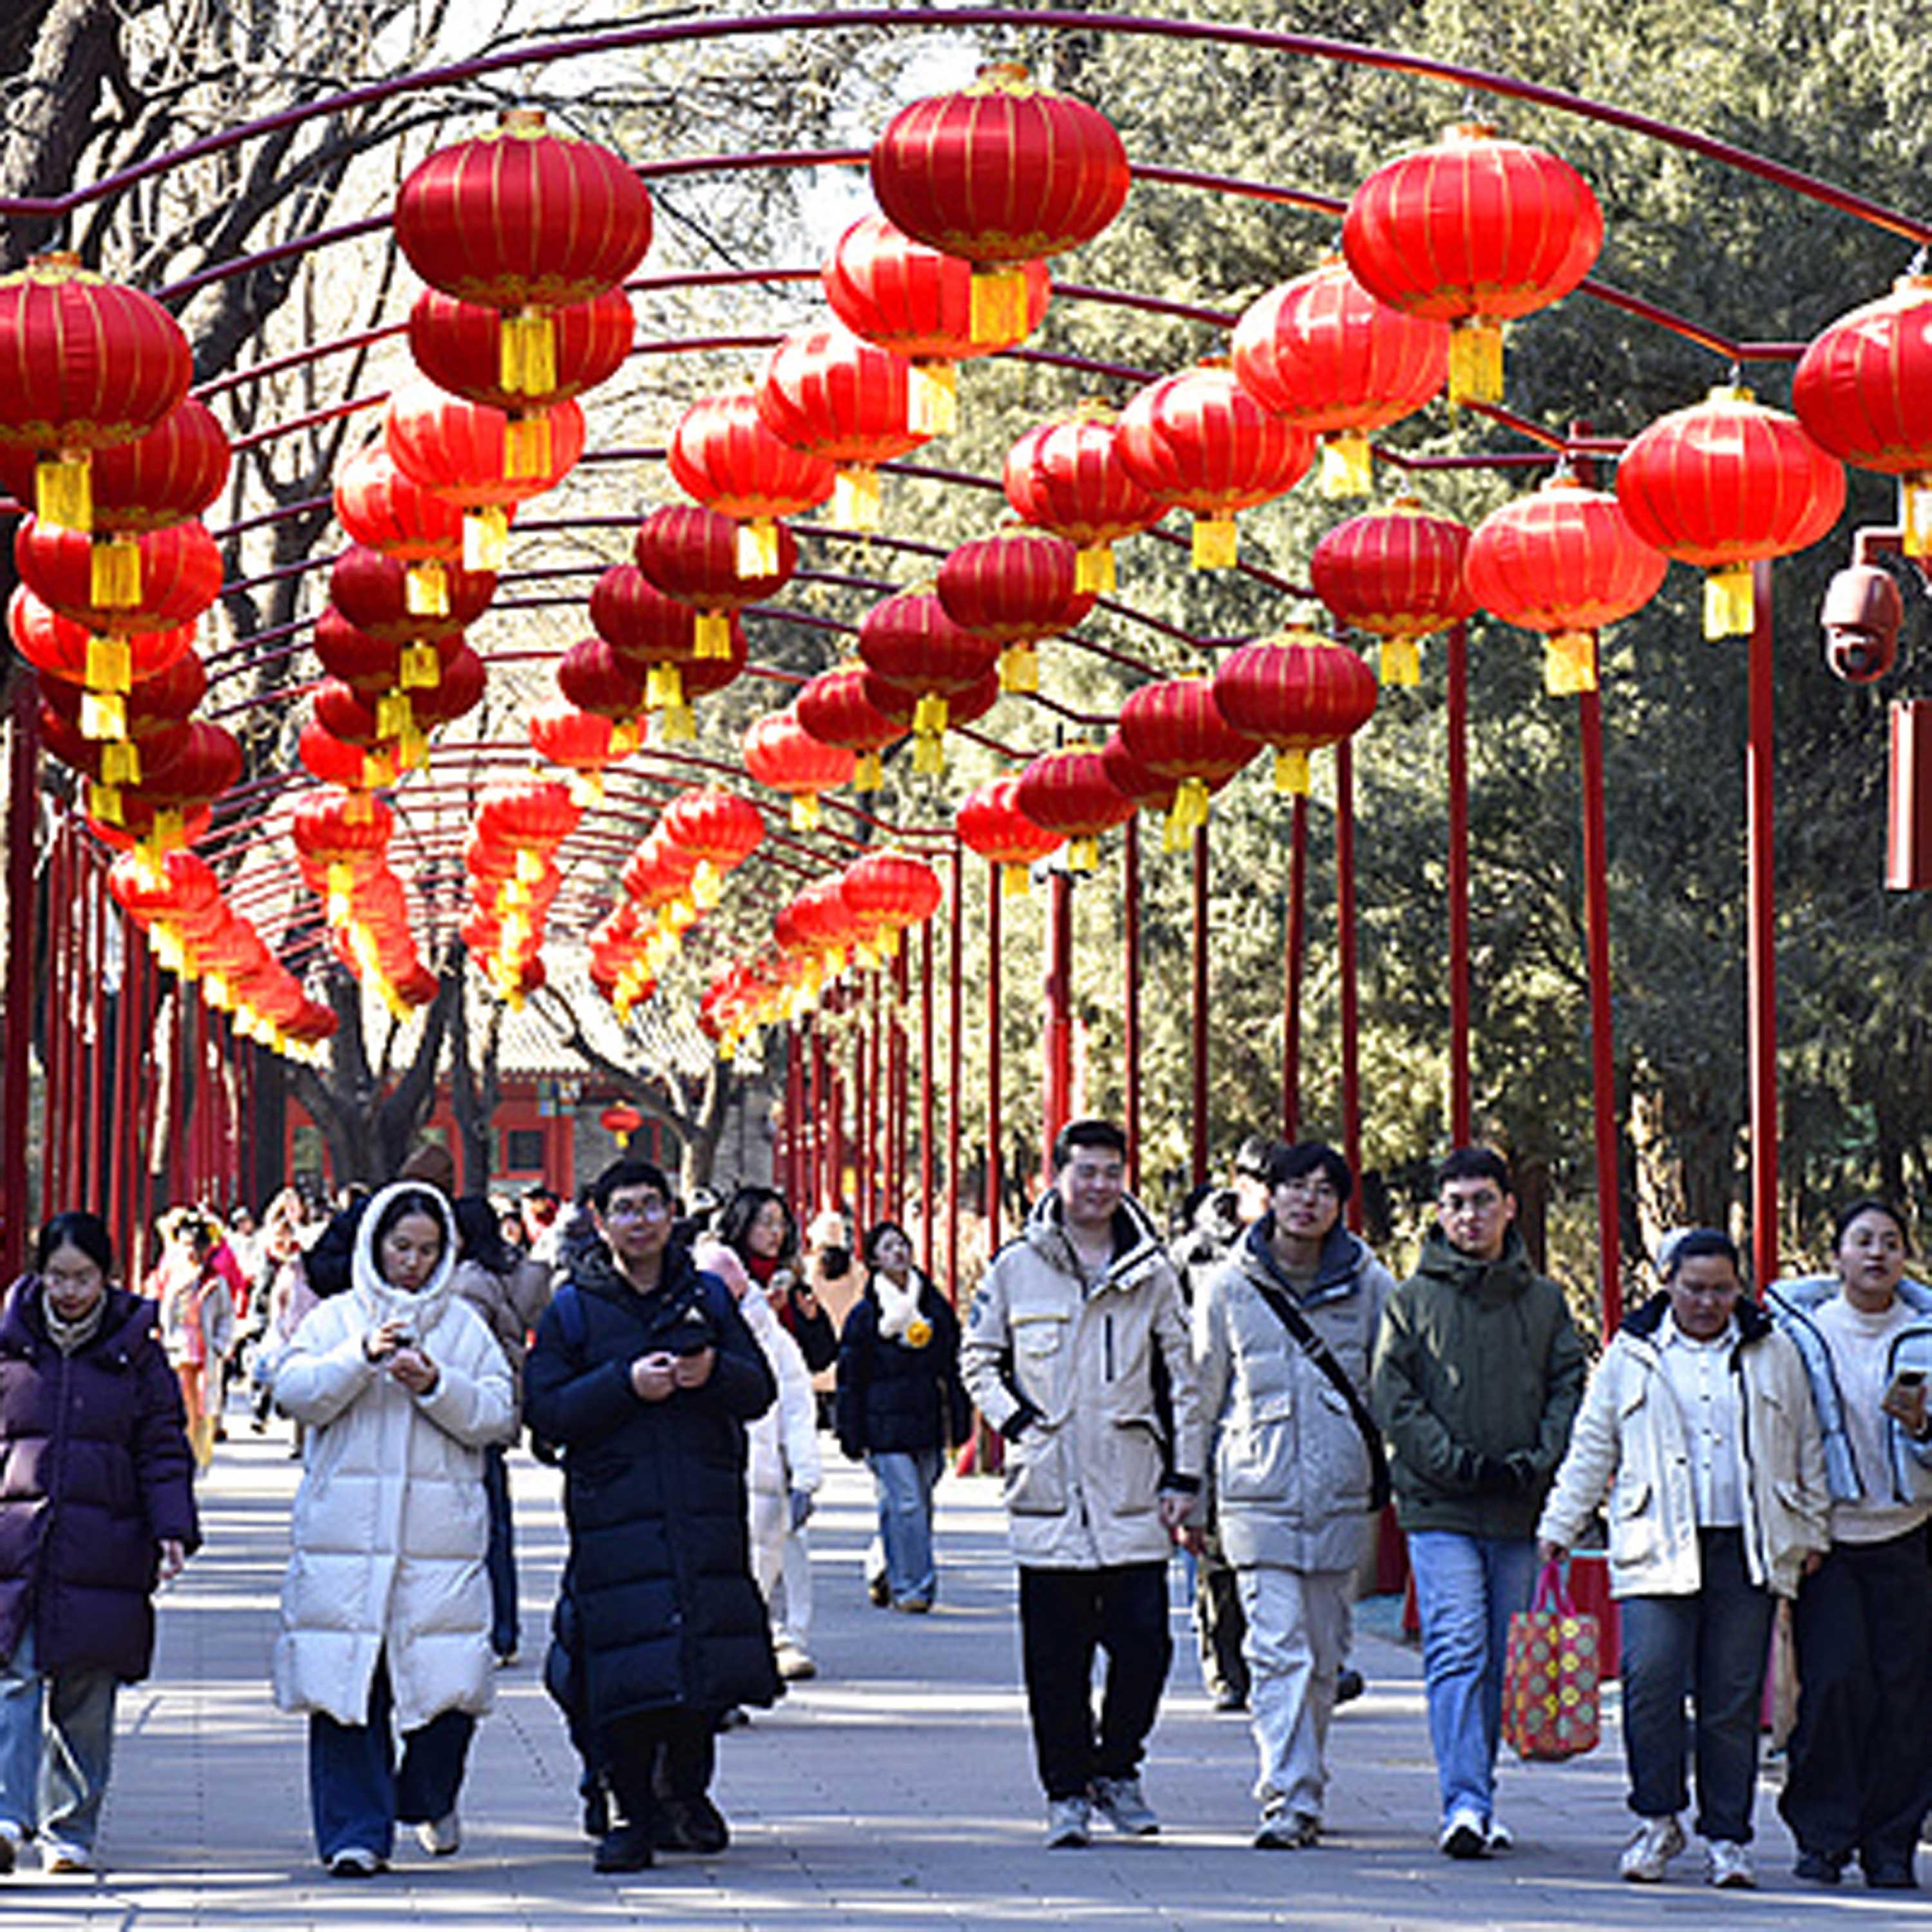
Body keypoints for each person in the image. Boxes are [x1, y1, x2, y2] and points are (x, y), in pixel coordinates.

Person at [1537, 1229, 1829, 1888]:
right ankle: (1657, 1817)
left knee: (1729, 1699)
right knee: (1650, 1683)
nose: (1707, 1302)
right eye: (1694, 1288)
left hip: (1746, 1543)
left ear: (1739, 1288)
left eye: (1721, 1289)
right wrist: (1561, 1523)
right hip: (1654, 1542)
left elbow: (1805, 1441)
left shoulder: (1772, 1350)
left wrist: (1811, 1530)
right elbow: (1593, 1445)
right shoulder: (1631, 1354)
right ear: (1667, 1282)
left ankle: (1727, 1835)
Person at [523, 1159, 779, 1875]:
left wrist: (712, 1376)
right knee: (624, 1669)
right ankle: (630, 1808)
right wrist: (623, 1385)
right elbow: (543, 1412)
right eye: (624, 1209)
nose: (640, 1221)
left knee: (701, 1662)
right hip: (616, 1515)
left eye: (652, 1206)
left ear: (672, 1214)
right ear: (600, 1220)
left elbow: (756, 1389)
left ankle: (688, 1795)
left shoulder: (706, 1296)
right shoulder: (573, 1307)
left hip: (701, 1507)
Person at [960, 1117, 1204, 1849]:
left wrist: (1185, 1474)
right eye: (1085, 1171)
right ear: (1057, 1177)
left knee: (1145, 1646)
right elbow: (979, 1357)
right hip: (1051, 1493)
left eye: (1110, 1171)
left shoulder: (1153, 1271)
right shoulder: (1015, 1267)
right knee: (1055, 1661)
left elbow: (1182, 1381)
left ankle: (1117, 1768)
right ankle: (1065, 1791)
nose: (1098, 1185)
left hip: (1132, 1488)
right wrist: (1020, 1424)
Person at [267, 1182, 515, 1877]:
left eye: (427, 1250)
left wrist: (436, 1383)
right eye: (401, 1246)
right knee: (347, 1690)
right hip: (344, 1542)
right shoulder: (334, 1320)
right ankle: (354, 1832)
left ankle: (427, 1795)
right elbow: (295, 1391)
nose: (412, 1261)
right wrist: (359, 1359)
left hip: (440, 1544)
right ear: (376, 1243)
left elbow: (498, 1414)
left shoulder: (463, 1328)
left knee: (451, 1690)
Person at [1370, 1146, 1586, 1860]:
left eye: (1483, 1201)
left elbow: (1568, 1391)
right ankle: (1462, 1800)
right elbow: (1395, 1400)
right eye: (1458, 1203)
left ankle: (1481, 1791)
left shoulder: (1546, 1301)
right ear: (1440, 1212)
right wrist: (1455, 1464)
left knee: (1501, 1656)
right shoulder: (1410, 1301)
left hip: (1520, 1507)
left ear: (1509, 1207)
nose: (1471, 1216)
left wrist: (1535, 1462)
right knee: (1457, 1647)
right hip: (1442, 1510)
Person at [1193, 1139, 1394, 1850]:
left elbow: (1393, 1386)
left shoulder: (1371, 1283)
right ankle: (1288, 1794)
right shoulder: (1227, 1285)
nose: (1305, 1201)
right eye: (1292, 1187)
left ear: (1340, 1204)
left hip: (1341, 1490)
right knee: (1276, 1649)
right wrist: (1189, 1490)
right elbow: (1200, 1396)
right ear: (1268, 1196)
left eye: (1322, 1190)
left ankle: (1306, 1772)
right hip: (1255, 1487)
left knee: (1324, 1653)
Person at [0, 1212, 198, 1875]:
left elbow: (163, 1446)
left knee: (86, 1693)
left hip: (103, 1543)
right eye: (57, 1276)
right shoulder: (11, 1344)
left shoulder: (134, 1349)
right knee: (14, 1676)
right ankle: (7, 1814)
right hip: (17, 1541)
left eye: (83, 1277)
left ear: (107, 1277)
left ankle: (71, 1828)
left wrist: (172, 1528)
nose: (69, 1291)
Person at [1766, 1198, 1932, 1889]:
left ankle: (1891, 1843)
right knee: (1835, 1686)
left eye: (1890, 1243)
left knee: (1908, 1694)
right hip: (1827, 1541)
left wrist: (1923, 1428)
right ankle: (1823, 1836)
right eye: (1861, 1241)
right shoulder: (1799, 1335)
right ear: (1835, 1255)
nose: (1876, 1255)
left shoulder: (1926, 1334)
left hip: (1911, 1534)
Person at [1171, 1134, 1278, 1716]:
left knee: (1268, 1551)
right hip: (1207, 1415)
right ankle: (1226, 1667)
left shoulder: (1294, 1251)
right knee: (1216, 1554)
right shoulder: (1195, 1254)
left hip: (1268, 1416)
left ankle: (1291, 1664)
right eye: (1274, 1186)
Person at [697, 1234, 822, 1681]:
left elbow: (797, 1406)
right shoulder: (690, 1329)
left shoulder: (774, 1339)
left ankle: (768, 1644)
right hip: (708, 1477)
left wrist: (806, 1475)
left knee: (763, 1570)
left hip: (765, 1477)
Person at [836, 1220, 972, 1614]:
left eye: (903, 1245)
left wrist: (960, 1421)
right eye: (889, 1247)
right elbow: (851, 1379)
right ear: (874, 1259)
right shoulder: (866, 1315)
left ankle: (885, 1567)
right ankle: (913, 1587)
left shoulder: (933, 1307)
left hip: (927, 1421)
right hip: (883, 1427)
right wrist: (851, 1431)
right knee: (907, 1502)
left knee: (912, 1505)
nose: (899, 1252)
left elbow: (954, 1366)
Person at [450, 1195, 554, 1667]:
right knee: (497, 1524)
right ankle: (504, 1627)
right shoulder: (514, 1272)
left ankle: (494, 1629)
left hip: (472, 1409)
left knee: (479, 1527)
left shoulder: (469, 1283)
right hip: (501, 1409)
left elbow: (464, 1350)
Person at [716, 1186, 835, 1373]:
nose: (776, 1232)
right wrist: (762, 1315)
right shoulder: (724, 1280)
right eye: (767, 1223)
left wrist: (812, 1321)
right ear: (744, 1224)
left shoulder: (790, 1283)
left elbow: (821, 1358)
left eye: (781, 1224)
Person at [159, 1215, 237, 1468]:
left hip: (205, 1350)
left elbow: (226, 1315)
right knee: (179, 1402)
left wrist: (220, 1344)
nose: (190, 1252)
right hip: (178, 1348)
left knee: (202, 1404)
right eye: (186, 1246)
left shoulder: (215, 1281)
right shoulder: (172, 1278)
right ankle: (178, 1448)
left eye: (195, 1246)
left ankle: (197, 1452)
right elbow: (163, 1311)